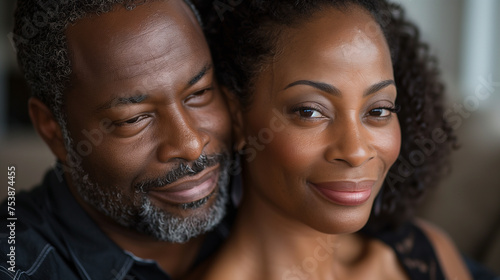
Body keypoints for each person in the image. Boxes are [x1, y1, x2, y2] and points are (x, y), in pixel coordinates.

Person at [189, 0, 480, 279]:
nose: (355, 152)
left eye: (378, 110)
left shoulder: (427, 251)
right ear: (237, 118)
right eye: (310, 112)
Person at [0, 0, 234, 279]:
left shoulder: (269, 187)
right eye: (133, 119)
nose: (191, 146)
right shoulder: (14, 265)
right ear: (53, 131)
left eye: (200, 92)